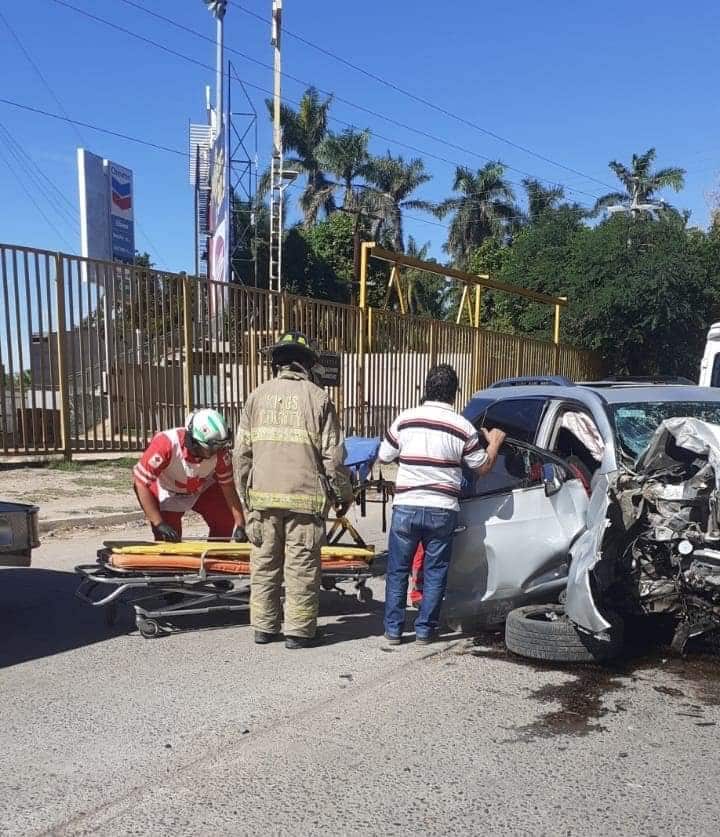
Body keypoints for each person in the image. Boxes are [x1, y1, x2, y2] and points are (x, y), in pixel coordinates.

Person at [234, 331, 354, 650]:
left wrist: (246, 498)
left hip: (262, 500)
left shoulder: (255, 397)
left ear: (277, 363)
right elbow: (333, 458)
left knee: (264, 565)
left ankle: (264, 627)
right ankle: (299, 632)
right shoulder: (319, 398)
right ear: (306, 364)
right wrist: (342, 495)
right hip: (305, 502)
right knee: (301, 568)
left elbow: (241, 455)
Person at [378, 364, 505, 644]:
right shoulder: (462, 427)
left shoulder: (405, 419)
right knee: (435, 572)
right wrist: (494, 443)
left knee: (398, 570)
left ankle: (394, 630)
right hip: (442, 509)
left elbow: (384, 455)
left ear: (426, 388)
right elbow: (482, 467)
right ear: (454, 393)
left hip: (407, 506)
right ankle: (425, 630)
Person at [133, 408, 246, 543]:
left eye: (220, 446)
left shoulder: (221, 453)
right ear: (194, 441)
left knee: (224, 518)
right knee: (169, 540)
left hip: (201, 487)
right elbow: (140, 483)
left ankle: (215, 553)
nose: (216, 452)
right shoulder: (166, 443)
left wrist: (240, 524)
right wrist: (158, 523)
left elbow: (227, 486)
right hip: (167, 491)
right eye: (212, 448)